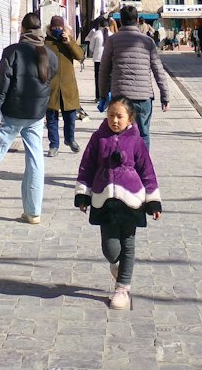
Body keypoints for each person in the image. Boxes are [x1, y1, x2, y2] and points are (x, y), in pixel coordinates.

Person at [75, 96, 162, 311]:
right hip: (103, 199)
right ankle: (117, 265)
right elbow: (86, 166)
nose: (114, 120)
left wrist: (153, 201)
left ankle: (122, 289)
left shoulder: (136, 140)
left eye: (119, 116)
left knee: (128, 244)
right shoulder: (98, 138)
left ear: (130, 118)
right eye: (111, 115)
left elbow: (147, 170)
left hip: (131, 201)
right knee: (111, 248)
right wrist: (83, 194)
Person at [0, 12, 58, 223]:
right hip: (36, 115)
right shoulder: (50, 55)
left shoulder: (12, 52)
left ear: (22, 29)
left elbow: (1, 85)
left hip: (12, 113)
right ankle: (33, 211)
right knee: (35, 159)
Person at [98, 3, 169, 147]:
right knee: (143, 135)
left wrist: (103, 95)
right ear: (137, 21)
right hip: (143, 98)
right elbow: (158, 69)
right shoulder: (148, 41)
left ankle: (123, 166)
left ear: (120, 21)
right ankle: (142, 168)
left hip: (120, 97)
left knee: (120, 133)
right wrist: (165, 95)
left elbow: (104, 70)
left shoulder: (112, 40)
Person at [45, 15, 85, 155]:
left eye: (59, 27)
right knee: (51, 119)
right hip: (51, 86)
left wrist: (69, 42)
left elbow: (80, 56)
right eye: (54, 27)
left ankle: (70, 139)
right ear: (50, 28)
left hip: (68, 86)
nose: (57, 30)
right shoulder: (46, 43)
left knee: (70, 117)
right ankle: (54, 145)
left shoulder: (68, 40)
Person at [87, 18, 107, 102]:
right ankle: (106, 95)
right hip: (107, 58)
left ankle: (98, 96)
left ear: (99, 25)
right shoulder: (111, 34)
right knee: (107, 78)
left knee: (98, 78)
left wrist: (95, 51)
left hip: (98, 59)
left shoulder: (96, 34)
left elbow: (91, 47)